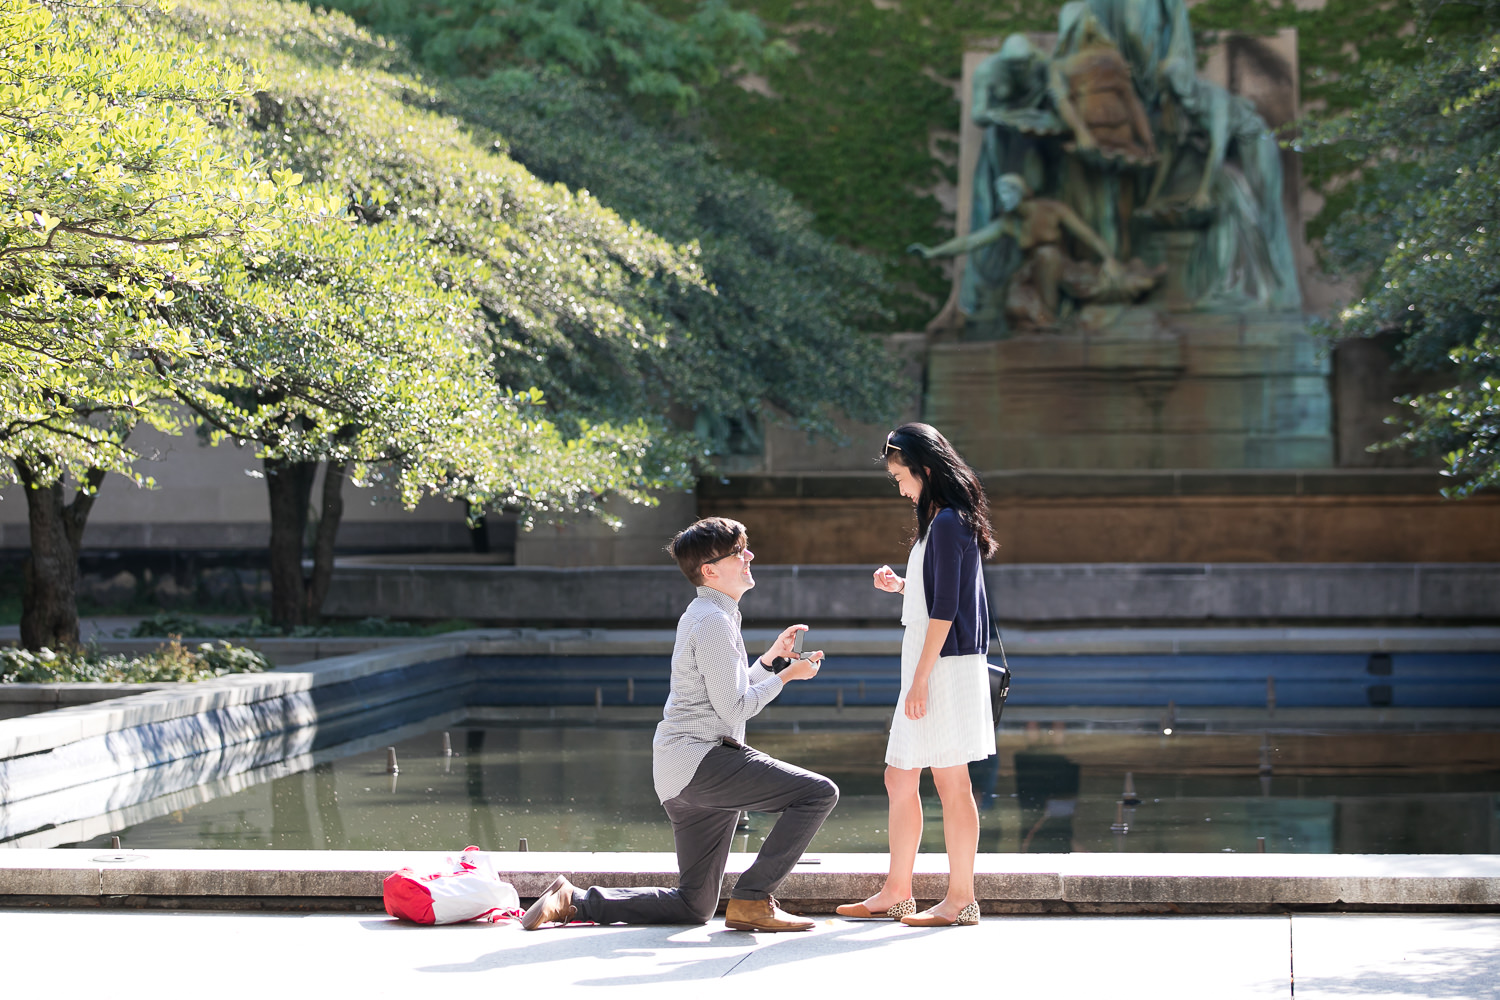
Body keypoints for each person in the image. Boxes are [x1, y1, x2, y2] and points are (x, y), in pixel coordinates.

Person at [522, 516, 839, 933]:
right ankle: (754, 899)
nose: (750, 556)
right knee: (818, 794)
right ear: (710, 571)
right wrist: (786, 677)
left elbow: (727, 689)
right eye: (739, 552)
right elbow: (735, 708)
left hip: (683, 772)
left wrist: (768, 663)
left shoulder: (712, 613)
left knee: (694, 905)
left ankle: (574, 901)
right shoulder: (712, 620)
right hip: (703, 761)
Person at [837, 423, 997, 927]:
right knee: (901, 776)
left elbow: (947, 609)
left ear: (925, 471)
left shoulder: (948, 523)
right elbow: (938, 596)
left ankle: (961, 899)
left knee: (952, 782)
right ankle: (898, 890)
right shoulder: (944, 522)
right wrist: (903, 586)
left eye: (901, 477)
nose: (900, 487)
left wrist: (922, 678)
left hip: (942, 667)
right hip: (935, 663)